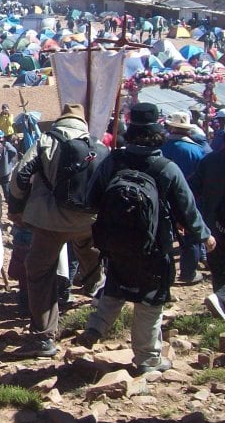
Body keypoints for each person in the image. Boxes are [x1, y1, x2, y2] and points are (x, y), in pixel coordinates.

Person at [78, 103, 214, 373]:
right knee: (150, 302)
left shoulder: (114, 160)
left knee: (116, 285)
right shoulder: (165, 167)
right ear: (157, 133)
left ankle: (95, 328)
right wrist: (204, 236)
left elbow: (90, 199)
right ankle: (148, 359)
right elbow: (187, 209)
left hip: (114, 242)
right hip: (154, 246)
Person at [9, 104, 104, 357]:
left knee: (40, 272)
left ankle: (43, 336)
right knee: (90, 254)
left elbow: (20, 176)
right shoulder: (96, 144)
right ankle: (101, 298)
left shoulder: (46, 140)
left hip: (50, 220)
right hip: (88, 219)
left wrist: (16, 208)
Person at [161, 111, 208, 285]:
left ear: (172, 127)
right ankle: (188, 274)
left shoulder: (161, 147)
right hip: (190, 199)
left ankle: (166, 275)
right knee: (191, 238)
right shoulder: (197, 150)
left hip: (163, 199)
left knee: (164, 237)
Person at [193, 145, 225, 319]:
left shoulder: (210, 160)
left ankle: (220, 309)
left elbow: (192, 190)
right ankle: (220, 299)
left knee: (219, 269)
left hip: (214, 227)